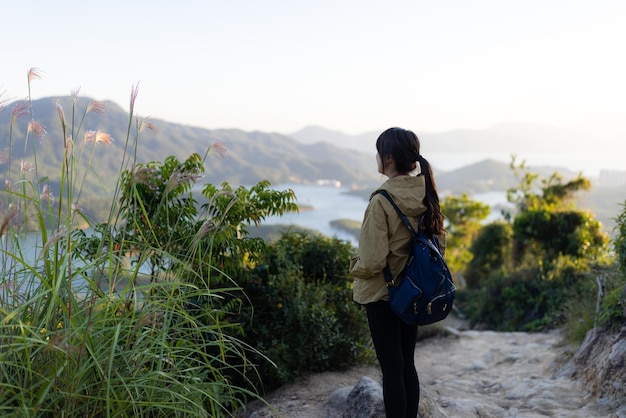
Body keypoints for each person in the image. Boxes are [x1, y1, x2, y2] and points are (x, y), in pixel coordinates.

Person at [349, 127, 446, 418]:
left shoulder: (381, 200)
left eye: (379, 153)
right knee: (407, 365)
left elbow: (372, 260)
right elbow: (438, 245)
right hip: (414, 291)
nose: (376, 158)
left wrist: (353, 267)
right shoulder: (426, 192)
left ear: (388, 158)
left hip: (382, 295)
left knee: (391, 370)